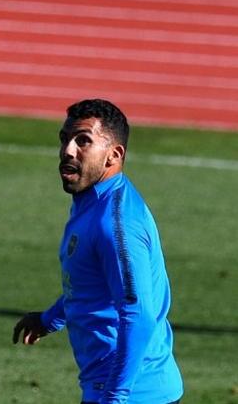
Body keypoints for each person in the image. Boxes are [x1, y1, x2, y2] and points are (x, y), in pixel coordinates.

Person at [12, 99, 183, 404]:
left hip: (133, 393)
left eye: (83, 141)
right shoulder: (92, 203)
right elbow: (91, 286)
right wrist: (50, 318)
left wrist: (115, 398)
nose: (68, 150)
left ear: (113, 155)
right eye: (65, 139)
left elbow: (138, 315)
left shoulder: (115, 224)